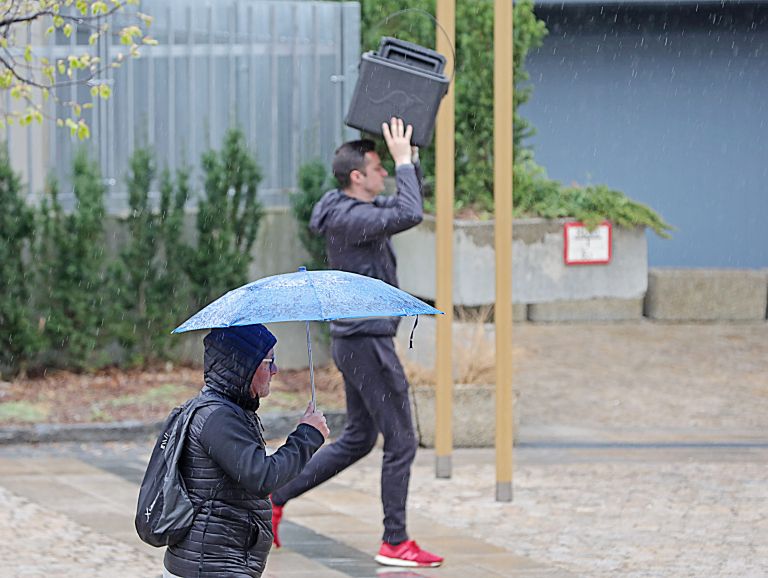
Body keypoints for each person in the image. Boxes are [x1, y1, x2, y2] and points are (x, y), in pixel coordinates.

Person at [270, 117, 443, 568]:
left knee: (360, 438)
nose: (384, 172)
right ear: (356, 177)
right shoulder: (352, 219)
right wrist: (403, 161)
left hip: (357, 338)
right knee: (402, 440)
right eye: (377, 168)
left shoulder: (348, 210)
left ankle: (275, 495)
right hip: (366, 339)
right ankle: (395, 541)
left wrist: (410, 158)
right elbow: (409, 214)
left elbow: (404, 203)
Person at [162, 323, 330, 578]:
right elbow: (261, 477)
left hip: (215, 561)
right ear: (244, 366)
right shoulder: (218, 418)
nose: (275, 370)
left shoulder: (227, 408)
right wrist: (308, 435)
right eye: (269, 362)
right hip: (210, 566)